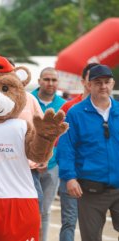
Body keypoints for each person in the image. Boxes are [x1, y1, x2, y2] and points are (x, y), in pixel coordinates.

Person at [57, 64, 119, 241]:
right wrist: (69, 177)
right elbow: (66, 147)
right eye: (98, 82)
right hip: (90, 189)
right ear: (88, 85)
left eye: (107, 82)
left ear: (113, 83)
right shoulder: (75, 113)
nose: (103, 86)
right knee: (91, 238)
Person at [58, 63, 98, 241]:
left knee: (94, 223)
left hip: (98, 176)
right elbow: (59, 141)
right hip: (72, 173)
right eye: (92, 79)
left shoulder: (109, 110)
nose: (97, 83)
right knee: (69, 220)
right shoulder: (69, 108)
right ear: (83, 81)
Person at [31, 67, 66, 241]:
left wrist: (48, 158)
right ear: (39, 81)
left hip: (52, 167)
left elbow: (65, 139)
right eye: (46, 79)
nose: (50, 83)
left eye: (54, 80)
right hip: (27, 166)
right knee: (29, 209)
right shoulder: (27, 100)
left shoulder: (63, 105)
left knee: (45, 210)